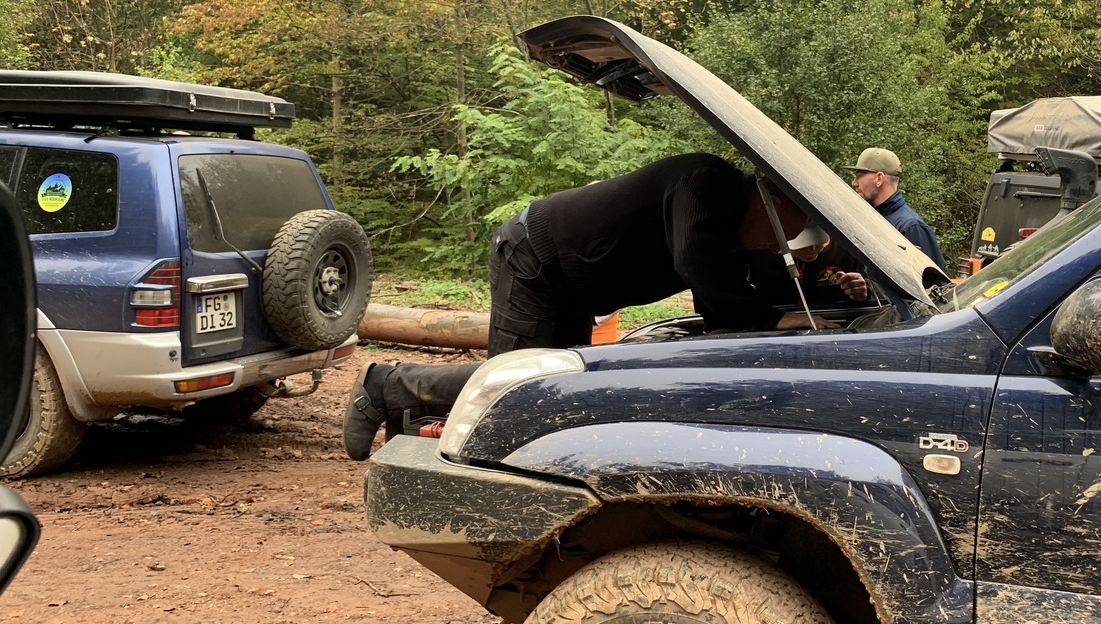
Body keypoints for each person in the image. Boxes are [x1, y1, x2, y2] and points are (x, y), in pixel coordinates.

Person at [344, 153, 845, 460]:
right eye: (786, 229)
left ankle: (411, 413)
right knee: (516, 382)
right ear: (772, 200)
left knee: (558, 384)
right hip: (535, 256)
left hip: (577, 285)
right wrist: (768, 318)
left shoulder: (735, 234)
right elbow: (697, 262)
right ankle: (388, 384)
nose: (780, 244)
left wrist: (780, 321)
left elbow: (729, 305)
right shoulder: (706, 182)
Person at [845, 147, 944, 268]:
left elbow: (933, 278)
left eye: (859, 176)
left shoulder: (911, 227)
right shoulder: (869, 219)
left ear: (879, 179)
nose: (854, 183)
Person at [748, 223, 865, 308]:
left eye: (819, 242)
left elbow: (865, 288)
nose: (811, 249)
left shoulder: (845, 245)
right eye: (802, 246)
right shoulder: (759, 248)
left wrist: (861, 291)